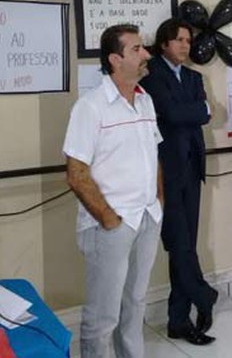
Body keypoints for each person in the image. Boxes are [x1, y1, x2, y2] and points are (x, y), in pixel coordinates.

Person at [63, 24, 163, 358]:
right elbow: (76, 174)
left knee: (134, 303)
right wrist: (108, 219)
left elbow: (154, 154)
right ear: (115, 59)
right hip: (113, 224)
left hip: (147, 216)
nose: (146, 54)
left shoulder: (145, 100)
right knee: (102, 317)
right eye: (136, 49)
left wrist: (157, 201)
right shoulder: (91, 107)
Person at [139, 18, 217, 345]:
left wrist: (196, 110)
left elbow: (201, 112)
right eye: (179, 40)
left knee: (186, 245)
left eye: (188, 40)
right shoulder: (152, 76)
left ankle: (177, 320)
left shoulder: (194, 77)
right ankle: (203, 295)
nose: (185, 45)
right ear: (164, 44)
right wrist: (198, 109)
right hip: (165, 173)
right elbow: (172, 114)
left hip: (192, 169)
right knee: (179, 243)